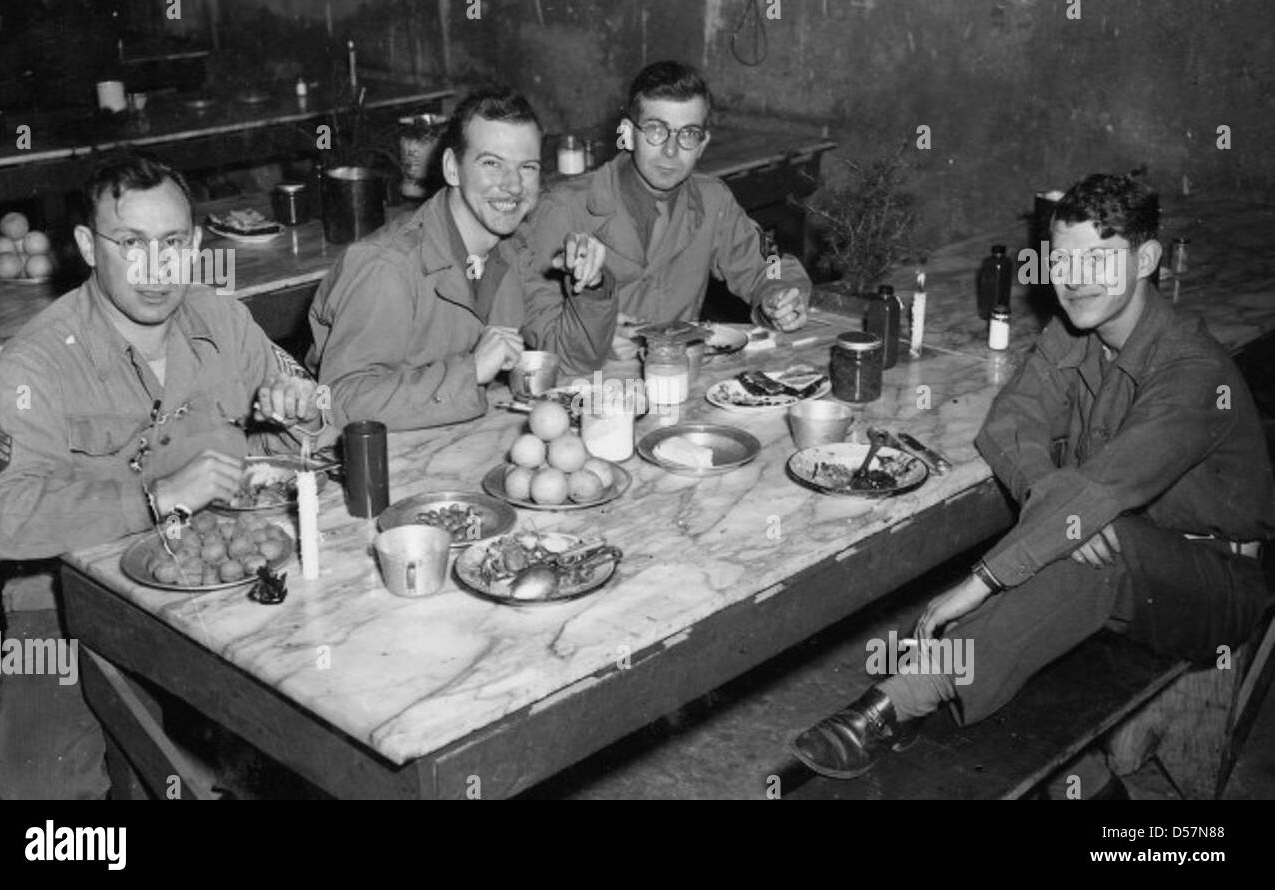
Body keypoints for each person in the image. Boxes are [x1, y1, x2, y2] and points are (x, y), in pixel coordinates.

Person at [791, 174, 1275, 793]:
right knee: (1083, 536)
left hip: (1211, 582)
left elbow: (1103, 490)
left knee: (1092, 545)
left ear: (1148, 259)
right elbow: (1011, 424)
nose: (1075, 278)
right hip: (1120, 546)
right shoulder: (1073, 333)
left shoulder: (1190, 370)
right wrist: (1056, 498)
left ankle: (899, 698)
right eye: (1063, 259)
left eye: (1099, 258)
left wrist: (983, 579)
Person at [0, 150, 333, 799]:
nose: (154, 267)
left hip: (222, 566)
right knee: (43, 794)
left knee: (322, 723)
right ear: (87, 244)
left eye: (171, 242)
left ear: (195, 243)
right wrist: (153, 497)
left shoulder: (219, 319)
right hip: (61, 596)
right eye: (129, 242)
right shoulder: (36, 363)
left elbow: (313, 420)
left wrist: (299, 412)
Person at [307, 87, 611, 431]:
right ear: (452, 169)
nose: (513, 186)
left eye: (527, 167)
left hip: (455, 448)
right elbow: (337, 400)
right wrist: (472, 370)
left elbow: (569, 362)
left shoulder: (511, 248)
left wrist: (590, 286)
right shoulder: (387, 269)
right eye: (492, 163)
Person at [521, 60, 813, 374]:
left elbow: (769, 264)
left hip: (678, 379)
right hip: (583, 390)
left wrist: (779, 295)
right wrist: (597, 337)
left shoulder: (713, 200)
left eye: (688, 134)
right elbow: (538, 336)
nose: (671, 151)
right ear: (628, 134)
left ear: (702, 144)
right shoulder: (563, 209)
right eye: (656, 130)